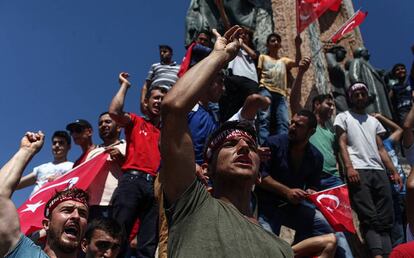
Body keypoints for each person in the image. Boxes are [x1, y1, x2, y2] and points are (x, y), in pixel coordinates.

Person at [160, 25, 293, 257]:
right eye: (230, 144)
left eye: (251, 147)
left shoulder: (282, 249)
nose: (243, 146)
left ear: (259, 173)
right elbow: (173, 108)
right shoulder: (191, 205)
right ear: (206, 168)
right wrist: (221, 56)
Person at [334, 82, 402, 258]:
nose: (359, 97)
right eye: (355, 95)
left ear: (367, 96)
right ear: (350, 97)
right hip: (359, 169)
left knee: (386, 217)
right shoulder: (344, 117)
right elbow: (342, 143)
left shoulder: (373, 121)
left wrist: (393, 171)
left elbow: (381, 148)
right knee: (369, 216)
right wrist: (349, 167)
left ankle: (387, 254)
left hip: (379, 170)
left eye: (362, 94)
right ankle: (376, 254)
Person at [0, 131, 89, 258]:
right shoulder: (26, 253)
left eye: (83, 213)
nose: (76, 216)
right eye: (67, 210)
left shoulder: (72, 167)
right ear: (46, 224)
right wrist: (26, 151)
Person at [109, 72, 166, 257]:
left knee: (148, 244)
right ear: (147, 102)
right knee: (117, 235)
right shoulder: (136, 121)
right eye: (156, 98)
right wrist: (124, 85)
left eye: (163, 99)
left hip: (155, 187)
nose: (159, 102)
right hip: (131, 181)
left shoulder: (167, 133)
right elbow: (114, 112)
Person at [257, 32, 303, 143]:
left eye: (278, 41)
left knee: (283, 121)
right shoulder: (263, 57)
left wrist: (297, 45)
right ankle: (264, 146)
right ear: (267, 45)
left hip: (281, 94)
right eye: (272, 40)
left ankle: (282, 146)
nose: (276, 42)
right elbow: (258, 74)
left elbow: (297, 62)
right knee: (264, 119)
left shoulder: (283, 61)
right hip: (265, 90)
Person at [82, 112, 126, 221]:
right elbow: (84, 177)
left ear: (119, 127)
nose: (103, 125)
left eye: (108, 122)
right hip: (93, 207)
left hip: (118, 204)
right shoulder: (93, 153)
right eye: (100, 123)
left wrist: (122, 160)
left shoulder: (127, 147)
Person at [373, 112, 407, 246]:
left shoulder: (388, 143)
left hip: (404, 190)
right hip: (391, 192)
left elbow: (400, 129)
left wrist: (380, 117)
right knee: (398, 227)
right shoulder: (372, 150)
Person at [17, 131, 73, 195]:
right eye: (54, 143)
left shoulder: (73, 166)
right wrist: (25, 150)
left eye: (61, 143)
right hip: (34, 203)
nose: (57, 145)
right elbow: (16, 185)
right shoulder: (41, 168)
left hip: (56, 202)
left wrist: (61, 179)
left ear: (69, 147)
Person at [348, 47, 393, 119]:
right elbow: (354, 76)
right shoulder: (357, 61)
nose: (369, 53)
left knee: (384, 116)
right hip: (370, 96)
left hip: (379, 96)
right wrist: (363, 92)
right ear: (361, 53)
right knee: (374, 116)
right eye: (366, 51)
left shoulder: (369, 66)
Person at [140, 45, 180, 113]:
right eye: (160, 52)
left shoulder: (180, 68)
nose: (162, 54)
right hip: (154, 98)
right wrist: (142, 100)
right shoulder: (155, 66)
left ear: (171, 54)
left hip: (170, 98)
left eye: (164, 52)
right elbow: (146, 85)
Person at [325, 45, 349, 112]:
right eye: (343, 52)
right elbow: (334, 67)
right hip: (336, 91)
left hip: (339, 91)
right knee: (344, 112)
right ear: (336, 51)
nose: (344, 56)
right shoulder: (329, 55)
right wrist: (343, 72)